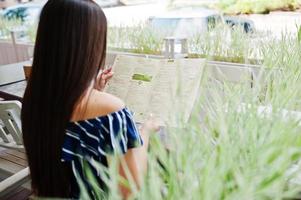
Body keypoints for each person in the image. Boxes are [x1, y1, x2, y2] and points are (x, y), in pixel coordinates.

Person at [21, 0, 158, 198]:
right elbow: (129, 191)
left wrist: (92, 90)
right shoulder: (112, 111)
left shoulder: (35, 98)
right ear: (91, 45)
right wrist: (145, 131)